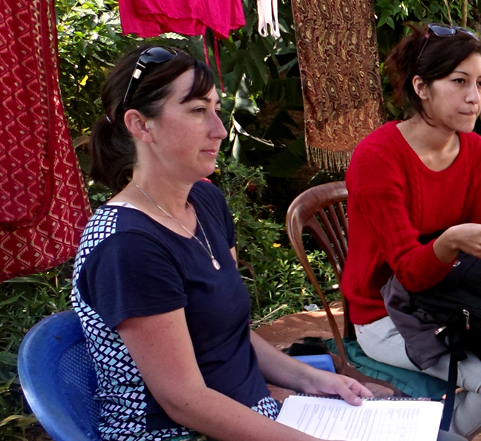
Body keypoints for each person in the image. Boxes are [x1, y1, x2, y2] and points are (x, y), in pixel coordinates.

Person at [73, 46, 378, 441]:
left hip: (251, 416)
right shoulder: (127, 246)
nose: (218, 128)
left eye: (216, 109)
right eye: (198, 110)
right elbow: (184, 401)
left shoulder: (205, 201)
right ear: (141, 125)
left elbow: (230, 334)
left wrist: (312, 379)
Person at [342, 23, 481, 440]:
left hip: (452, 297)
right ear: (422, 87)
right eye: (459, 82)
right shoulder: (377, 156)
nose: (474, 97)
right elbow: (409, 271)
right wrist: (449, 242)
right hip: (384, 310)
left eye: (480, 84)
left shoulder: (475, 150)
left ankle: (428, 429)